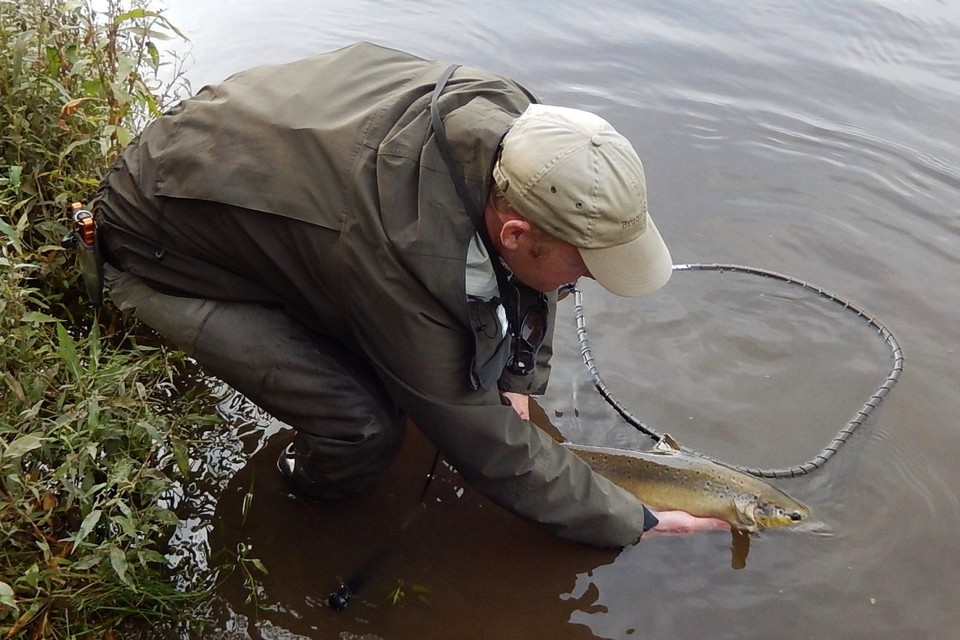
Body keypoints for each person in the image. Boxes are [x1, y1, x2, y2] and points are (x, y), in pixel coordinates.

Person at [91, 42, 726, 548]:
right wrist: (633, 520)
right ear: (514, 232)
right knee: (365, 426)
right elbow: (480, 442)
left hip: (233, 166)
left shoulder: (526, 138)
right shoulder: (400, 253)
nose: (583, 280)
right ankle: (296, 512)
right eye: (584, 266)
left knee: (431, 351)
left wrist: (517, 378)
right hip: (151, 245)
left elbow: (534, 271)